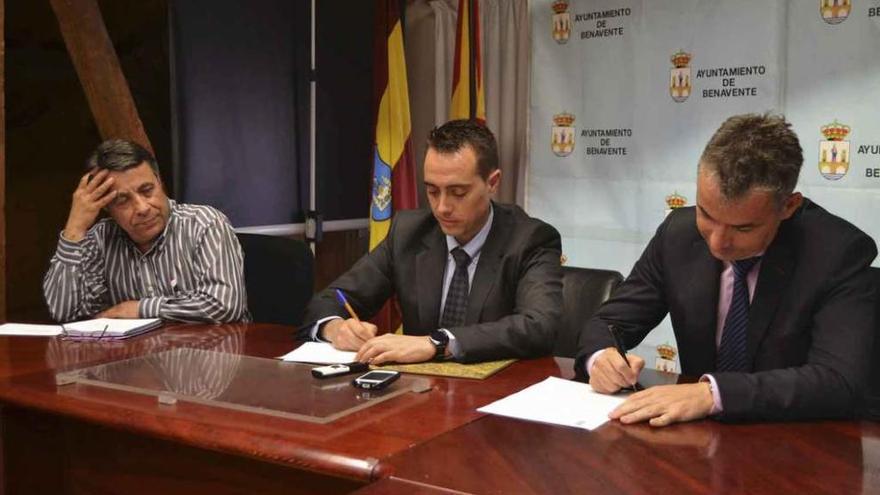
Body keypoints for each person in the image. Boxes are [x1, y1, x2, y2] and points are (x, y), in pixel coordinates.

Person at [577, 113, 877, 424]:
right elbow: (609, 323)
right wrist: (601, 359)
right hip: (698, 444)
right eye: (706, 214)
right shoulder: (678, 234)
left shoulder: (837, 253)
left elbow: (838, 381)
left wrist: (712, 394)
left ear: (788, 206)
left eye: (743, 229)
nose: (719, 243)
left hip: (799, 444)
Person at [301, 119, 563, 364]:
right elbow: (330, 299)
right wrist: (335, 328)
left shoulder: (530, 240)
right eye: (432, 191)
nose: (442, 207)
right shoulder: (409, 232)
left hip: (496, 394)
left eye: (458, 192)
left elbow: (539, 326)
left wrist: (438, 343)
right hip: (421, 392)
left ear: (492, 183)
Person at [43, 139, 250, 323]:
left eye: (147, 190)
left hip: (216, 359)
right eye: (122, 200)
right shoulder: (100, 239)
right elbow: (63, 312)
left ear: (159, 182)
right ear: (105, 207)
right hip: (136, 361)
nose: (142, 208)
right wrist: (74, 229)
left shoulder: (204, 224)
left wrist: (139, 308)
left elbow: (224, 305)